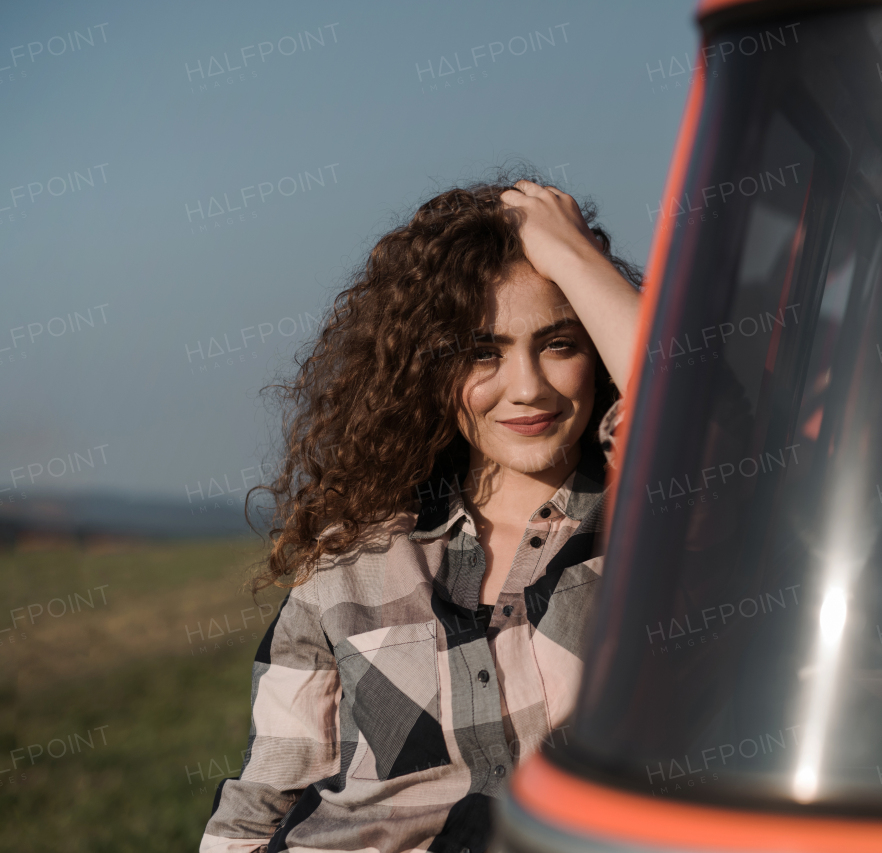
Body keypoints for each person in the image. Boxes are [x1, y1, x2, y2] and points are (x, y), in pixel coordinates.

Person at [200, 176, 642, 853]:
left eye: (560, 343)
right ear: (428, 370)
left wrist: (572, 253)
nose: (527, 387)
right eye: (480, 352)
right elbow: (263, 799)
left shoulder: (655, 522)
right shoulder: (349, 557)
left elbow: (698, 413)